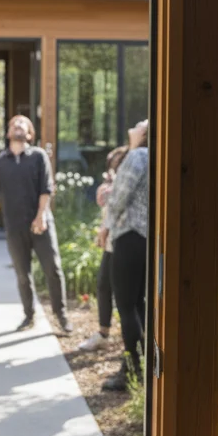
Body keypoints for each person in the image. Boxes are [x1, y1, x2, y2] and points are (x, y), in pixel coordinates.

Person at [0, 114, 72, 335]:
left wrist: (40, 216)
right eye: (14, 124)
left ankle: (61, 316)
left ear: (29, 133)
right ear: (8, 133)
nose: (18, 126)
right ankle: (29, 315)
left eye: (23, 124)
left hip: (41, 223)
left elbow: (47, 188)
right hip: (14, 227)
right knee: (22, 275)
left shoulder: (38, 156)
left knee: (53, 270)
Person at [98, 120, 149, 392]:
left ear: (143, 133)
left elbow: (119, 199)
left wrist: (106, 220)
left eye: (140, 124)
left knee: (126, 305)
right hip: (146, 239)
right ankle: (139, 365)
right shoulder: (155, 155)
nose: (134, 125)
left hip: (128, 236)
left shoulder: (138, 155)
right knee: (138, 304)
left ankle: (130, 370)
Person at [78, 145, 130, 352]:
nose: (113, 166)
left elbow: (115, 202)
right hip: (112, 240)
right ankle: (104, 332)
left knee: (123, 292)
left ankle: (131, 341)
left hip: (124, 240)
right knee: (103, 285)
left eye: (116, 162)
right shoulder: (114, 181)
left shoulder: (129, 176)